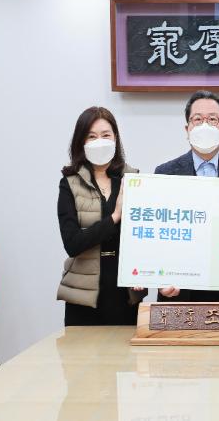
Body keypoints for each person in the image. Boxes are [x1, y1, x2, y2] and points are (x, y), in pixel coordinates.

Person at [155, 90, 219, 303]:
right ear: (187, 129)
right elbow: (158, 236)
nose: (205, 126)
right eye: (198, 119)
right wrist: (159, 278)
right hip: (179, 288)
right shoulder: (165, 173)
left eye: (213, 119)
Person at [57, 106, 146, 326]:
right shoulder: (70, 183)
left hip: (125, 292)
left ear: (115, 138)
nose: (100, 142)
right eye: (92, 136)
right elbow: (72, 243)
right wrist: (115, 216)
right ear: (81, 142)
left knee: (125, 348)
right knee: (82, 349)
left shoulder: (133, 179)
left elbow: (144, 236)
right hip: (84, 296)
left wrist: (143, 270)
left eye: (106, 135)